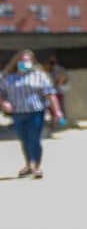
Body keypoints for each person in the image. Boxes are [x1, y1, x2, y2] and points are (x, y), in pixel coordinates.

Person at [0, 49, 64, 179]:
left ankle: (36, 166)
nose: (25, 63)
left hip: (36, 112)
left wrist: (57, 111)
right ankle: (28, 164)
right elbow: (1, 93)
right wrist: (3, 103)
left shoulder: (39, 75)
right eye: (22, 60)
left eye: (28, 60)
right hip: (18, 113)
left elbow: (50, 94)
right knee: (24, 140)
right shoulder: (7, 77)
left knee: (35, 139)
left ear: (33, 62)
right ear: (17, 61)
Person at [45, 54, 69, 123]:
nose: (51, 61)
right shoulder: (46, 68)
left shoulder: (60, 69)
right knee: (50, 108)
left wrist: (59, 81)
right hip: (49, 92)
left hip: (58, 91)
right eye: (50, 60)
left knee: (59, 107)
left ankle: (61, 122)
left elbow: (64, 78)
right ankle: (53, 121)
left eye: (53, 60)